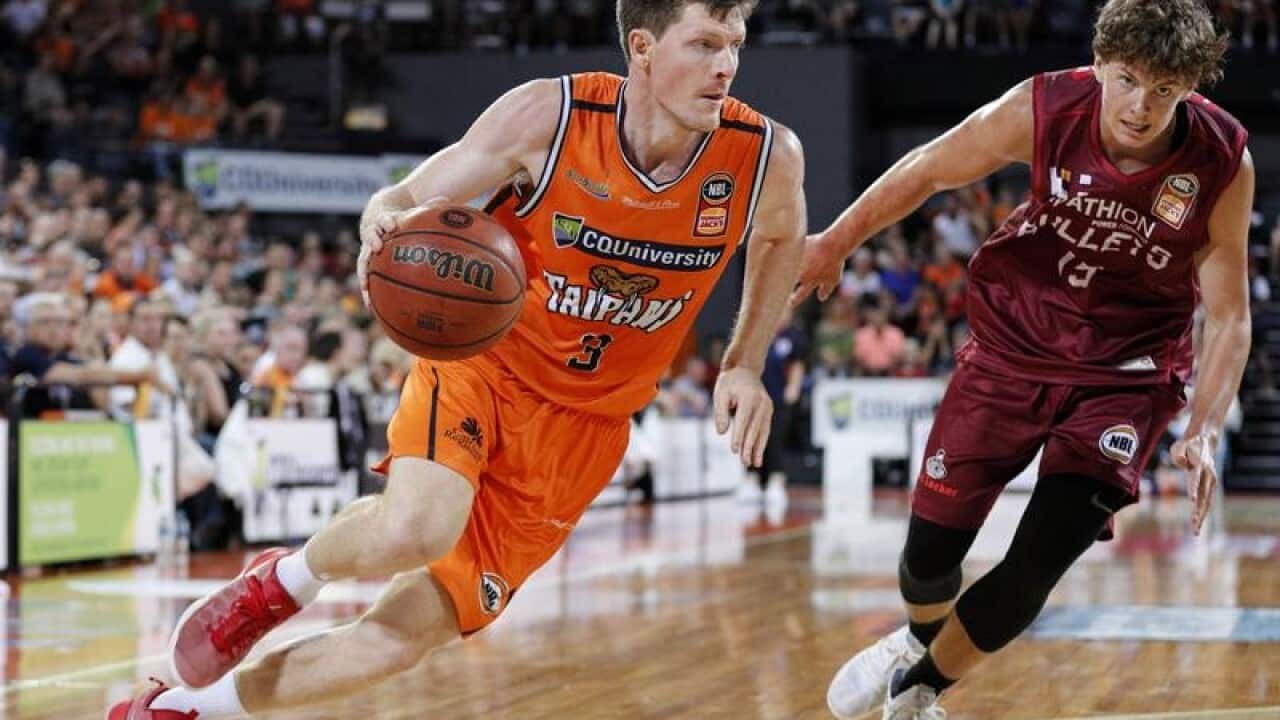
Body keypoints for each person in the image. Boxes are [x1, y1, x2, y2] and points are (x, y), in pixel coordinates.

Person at [110, 0, 806, 717]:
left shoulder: (764, 156)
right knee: (416, 528)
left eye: (736, 45)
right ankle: (282, 582)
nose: (726, 65)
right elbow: (404, 195)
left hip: (587, 426)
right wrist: (380, 223)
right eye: (706, 43)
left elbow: (782, 242)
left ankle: (189, 711)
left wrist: (745, 362)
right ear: (643, 47)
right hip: (486, 365)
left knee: (404, 638)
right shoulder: (548, 117)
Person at [793, 1, 1252, 718]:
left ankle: (918, 694)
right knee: (928, 559)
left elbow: (1229, 313)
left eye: (1165, 88)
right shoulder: (1044, 107)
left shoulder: (1222, 159)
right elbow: (927, 170)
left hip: (1125, 378)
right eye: (1128, 79)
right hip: (1012, 349)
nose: (1141, 105)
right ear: (1099, 62)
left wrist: (1204, 428)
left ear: (1193, 85)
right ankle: (916, 643)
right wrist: (836, 241)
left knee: (1040, 559)